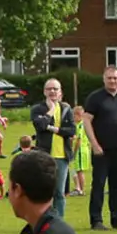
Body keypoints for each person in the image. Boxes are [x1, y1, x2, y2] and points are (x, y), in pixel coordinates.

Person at [83, 65, 117, 230]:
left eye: (115, 78)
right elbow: (86, 120)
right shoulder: (95, 97)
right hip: (101, 150)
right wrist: (94, 144)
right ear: (104, 79)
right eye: (109, 78)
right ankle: (96, 220)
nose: (112, 81)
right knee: (98, 185)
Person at [29, 78, 77, 222]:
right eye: (49, 89)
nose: (52, 91)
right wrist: (50, 111)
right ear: (44, 92)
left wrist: (54, 129)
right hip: (44, 156)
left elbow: (72, 131)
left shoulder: (66, 109)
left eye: (55, 89)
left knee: (59, 192)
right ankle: (41, 221)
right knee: (43, 191)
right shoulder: (38, 109)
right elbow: (40, 126)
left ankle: (58, 222)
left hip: (62, 157)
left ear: (60, 91)